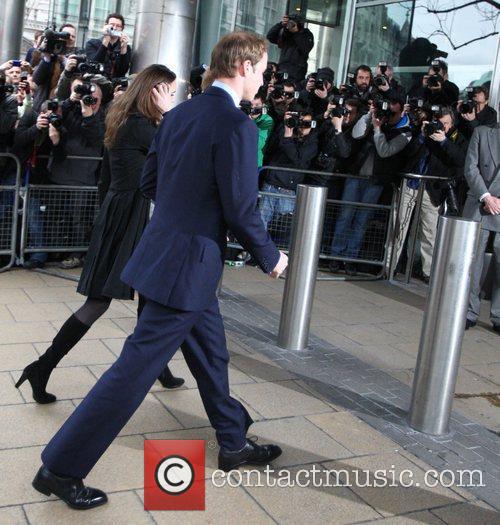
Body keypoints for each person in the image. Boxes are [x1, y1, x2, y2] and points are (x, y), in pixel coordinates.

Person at [31, 31, 288, 510]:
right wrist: (270, 255)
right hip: (186, 268)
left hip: (167, 259)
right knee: (132, 372)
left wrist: (185, 217)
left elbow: (149, 182)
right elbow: (239, 207)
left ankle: (232, 443)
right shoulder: (237, 126)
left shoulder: (180, 113)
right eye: (263, 67)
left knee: (212, 356)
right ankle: (59, 469)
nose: (265, 76)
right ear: (246, 66)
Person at [15, 64, 185, 406]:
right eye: (167, 91)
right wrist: (170, 114)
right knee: (106, 301)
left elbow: (107, 178)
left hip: (121, 214)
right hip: (132, 216)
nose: (172, 97)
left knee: (138, 300)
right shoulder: (141, 126)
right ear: (153, 92)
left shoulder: (125, 120)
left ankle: (157, 367)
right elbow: (180, 150)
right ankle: (43, 366)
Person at [330, 95, 412, 275]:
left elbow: (385, 151)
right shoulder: (372, 119)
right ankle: (335, 256)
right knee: (345, 216)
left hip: (375, 182)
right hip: (355, 176)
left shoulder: (404, 131)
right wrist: (369, 115)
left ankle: (351, 259)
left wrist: (377, 129)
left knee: (361, 221)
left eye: (392, 111)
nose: (387, 115)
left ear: (401, 111)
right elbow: (356, 133)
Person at [463, 124, 500, 333]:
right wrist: (486, 196)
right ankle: (469, 311)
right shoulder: (482, 132)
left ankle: (498, 315)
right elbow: (470, 166)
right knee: (472, 262)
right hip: (479, 202)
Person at [266, 13, 314, 83]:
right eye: (289, 22)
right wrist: (281, 24)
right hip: (282, 69)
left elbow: (305, 48)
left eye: (293, 23)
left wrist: (296, 33)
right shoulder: (286, 33)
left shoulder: (306, 34)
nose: (290, 25)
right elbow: (270, 36)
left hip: (297, 73)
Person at [85, 13, 131, 79]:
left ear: (122, 29)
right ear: (106, 26)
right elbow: (94, 64)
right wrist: (106, 40)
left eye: (118, 26)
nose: (114, 28)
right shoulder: (92, 43)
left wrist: (123, 49)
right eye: (112, 25)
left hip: (115, 85)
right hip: (95, 82)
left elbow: (122, 72)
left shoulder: (126, 47)